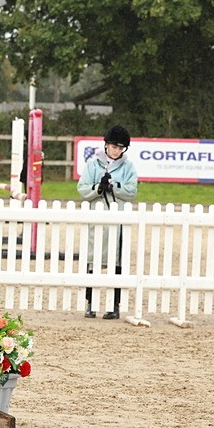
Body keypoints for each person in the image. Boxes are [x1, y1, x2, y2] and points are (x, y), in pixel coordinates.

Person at [77, 124, 139, 319]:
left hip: (118, 222)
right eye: (114, 147)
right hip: (98, 221)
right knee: (92, 261)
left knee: (117, 263)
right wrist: (99, 188)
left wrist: (115, 186)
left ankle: (114, 305)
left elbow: (131, 192)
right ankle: (90, 304)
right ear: (106, 145)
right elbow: (83, 189)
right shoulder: (93, 164)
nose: (117, 151)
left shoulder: (128, 167)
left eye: (121, 148)